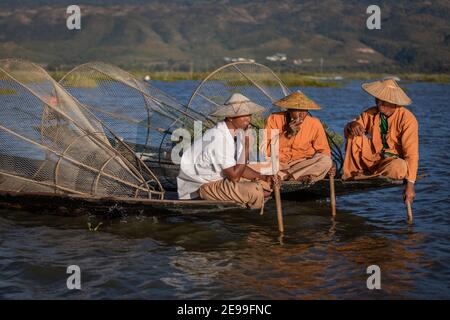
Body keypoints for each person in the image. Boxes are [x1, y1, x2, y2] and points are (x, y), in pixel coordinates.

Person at [177, 93, 273, 209]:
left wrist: (264, 177)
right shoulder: (219, 138)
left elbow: (239, 167)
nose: (248, 118)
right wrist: (247, 146)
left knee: (266, 186)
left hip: (218, 178)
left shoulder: (234, 133)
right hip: (200, 186)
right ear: (230, 117)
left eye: (249, 114)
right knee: (257, 192)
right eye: (243, 115)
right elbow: (234, 177)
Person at [342, 78, 419, 203]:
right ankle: (354, 173)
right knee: (354, 136)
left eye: (383, 102)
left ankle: (367, 175)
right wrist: (352, 124)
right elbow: (351, 128)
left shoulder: (407, 120)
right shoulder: (370, 113)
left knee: (400, 167)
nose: (379, 105)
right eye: (377, 100)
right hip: (371, 159)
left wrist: (410, 186)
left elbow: (411, 154)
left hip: (390, 162)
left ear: (393, 102)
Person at [264, 91, 333, 183]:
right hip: (278, 164)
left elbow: (324, 150)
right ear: (289, 110)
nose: (302, 114)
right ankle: (296, 177)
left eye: (305, 110)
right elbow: (266, 151)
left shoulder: (315, 123)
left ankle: (286, 176)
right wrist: (287, 135)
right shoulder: (274, 118)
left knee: (326, 161)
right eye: (298, 110)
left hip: (301, 164)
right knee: (255, 164)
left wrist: (331, 165)